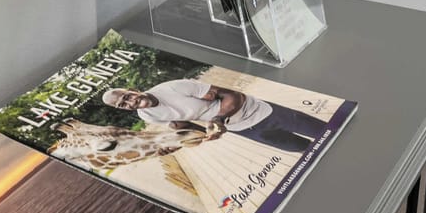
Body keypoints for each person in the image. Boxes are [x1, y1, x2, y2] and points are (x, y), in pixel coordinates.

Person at [101, 79, 327, 153]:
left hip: (262, 113)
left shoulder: (173, 87)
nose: (130, 103)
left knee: (326, 134)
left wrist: (217, 121)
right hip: (244, 130)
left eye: (127, 97)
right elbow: (188, 129)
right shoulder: (147, 115)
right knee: (304, 151)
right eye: (123, 106)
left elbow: (233, 95)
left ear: (131, 89)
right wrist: (176, 145)